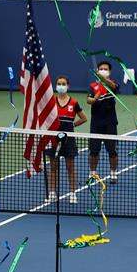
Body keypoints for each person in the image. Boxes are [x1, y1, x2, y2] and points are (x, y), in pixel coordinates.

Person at [46, 76, 87, 204]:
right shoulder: (51, 101)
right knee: (53, 167)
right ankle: (52, 193)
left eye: (63, 84)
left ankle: (73, 193)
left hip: (69, 139)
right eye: (59, 84)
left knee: (70, 167)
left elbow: (83, 118)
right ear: (56, 85)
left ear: (68, 86)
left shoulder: (74, 103)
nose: (61, 86)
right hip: (54, 138)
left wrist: (72, 125)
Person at [88, 60, 119, 184]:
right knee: (94, 151)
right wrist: (95, 98)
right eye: (101, 69)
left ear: (109, 72)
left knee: (112, 151)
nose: (103, 70)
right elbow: (89, 101)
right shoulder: (92, 86)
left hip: (110, 123)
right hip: (96, 123)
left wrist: (103, 79)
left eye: (105, 69)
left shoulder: (113, 84)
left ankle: (113, 173)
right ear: (97, 71)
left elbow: (113, 87)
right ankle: (93, 173)